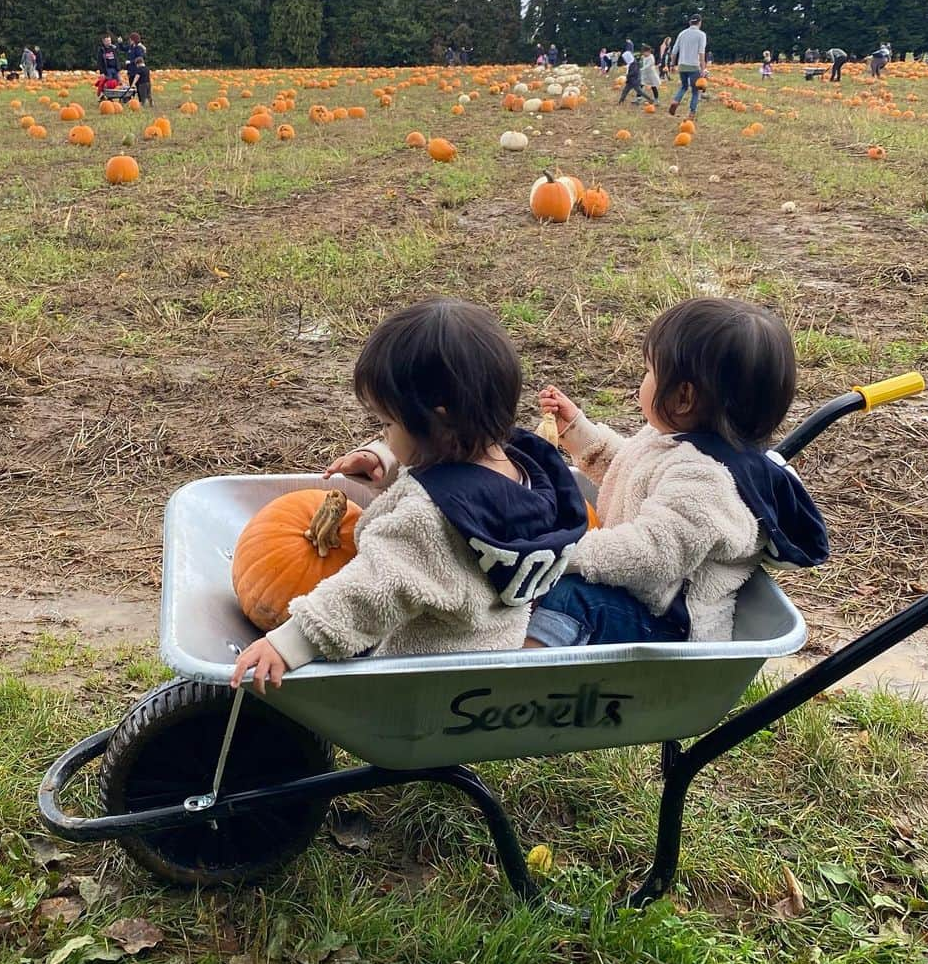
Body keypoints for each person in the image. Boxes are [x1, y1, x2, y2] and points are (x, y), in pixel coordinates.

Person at [228, 298, 590, 693]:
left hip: (421, 676)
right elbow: (455, 472)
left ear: (439, 418)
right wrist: (384, 457)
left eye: (386, 424)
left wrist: (290, 643)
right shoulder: (527, 469)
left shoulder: (428, 521)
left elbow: (373, 588)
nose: (384, 433)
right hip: (489, 653)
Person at [526, 297, 829, 648]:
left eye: (649, 371)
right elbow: (633, 473)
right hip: (634, 594)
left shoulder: (706, 482)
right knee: (550, 586)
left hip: (668, 625)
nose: (643, 380)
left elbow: (650, 554)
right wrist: (577, 431)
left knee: (569, 596)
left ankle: (518, 679)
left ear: (683, 397)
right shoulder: (672, 441)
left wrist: (561, 552)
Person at [667, 14, 707, 117]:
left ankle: (675, 101)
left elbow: (674, 51)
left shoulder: (682, 33)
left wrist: (672, 65)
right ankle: (692, 113)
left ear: (690, 22)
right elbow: (701, 53)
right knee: (695, 91)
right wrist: (703, 69)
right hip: (694, 66)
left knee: (684, 86)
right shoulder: (701, 34)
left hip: (682, 65)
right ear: (699, 22)